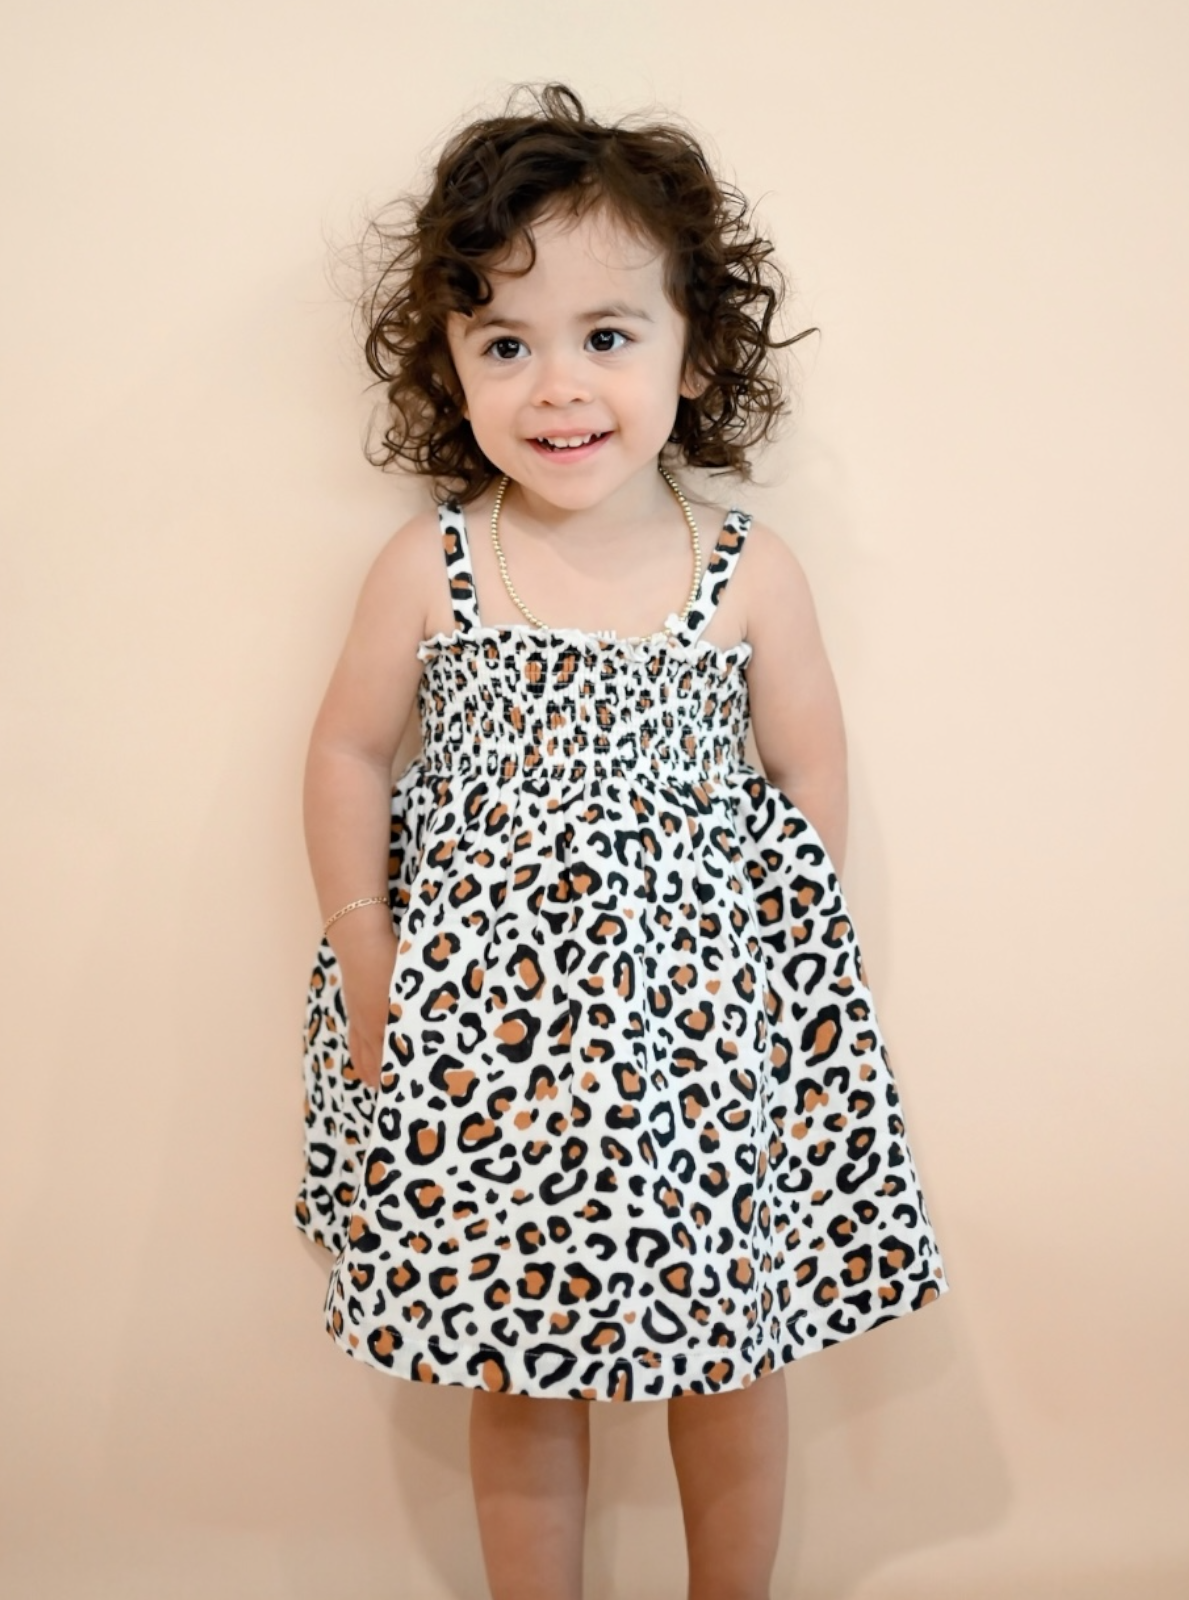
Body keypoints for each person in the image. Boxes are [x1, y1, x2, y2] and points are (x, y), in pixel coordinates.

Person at [295, 83, 945, 1600]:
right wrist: (366, 946)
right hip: (486, 1046)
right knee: (518, 1365)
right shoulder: (437, 563)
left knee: (727, 1348)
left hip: (697, 1037)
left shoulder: (743, 570)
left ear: (692, 349)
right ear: (448, 366)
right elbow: (344, 748)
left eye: (607, 334)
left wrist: (781, 979)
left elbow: (809, 764)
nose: (557, 387)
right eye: (504, 344)